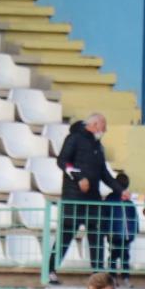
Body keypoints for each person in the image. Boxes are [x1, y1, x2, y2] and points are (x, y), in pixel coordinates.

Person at [54, 112, 111, 279]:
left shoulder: (98, 146)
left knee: (96, 236)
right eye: (104, 126)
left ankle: (98, 273)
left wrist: (120, 190)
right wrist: (79, 177)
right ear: (94, 125)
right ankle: (50, 270)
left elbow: (104, 173)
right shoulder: (74, 138)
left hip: (93, 200)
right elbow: (62, 161)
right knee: (66, 235)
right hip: (74, 198)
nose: (105, 130)